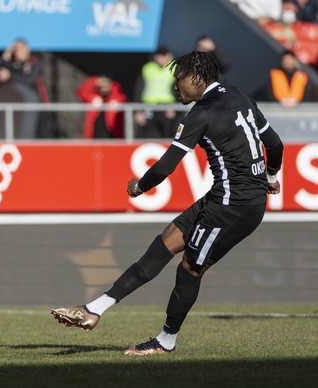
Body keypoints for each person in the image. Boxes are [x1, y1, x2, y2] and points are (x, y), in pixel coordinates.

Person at [51, 51, 284, 356]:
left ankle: (166, 341)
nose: (176, 87)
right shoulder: (239, 95)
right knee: (163, 244)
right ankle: (94, 309)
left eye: (179, 80)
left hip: (234, 205)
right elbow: (275, 144)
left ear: (196, 77)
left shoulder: (201, 113)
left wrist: (140, 186)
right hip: (227, 196)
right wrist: (269, 176)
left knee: (189, 268)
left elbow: (165, 167)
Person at [0, 38, 50, 139]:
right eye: (16, 50)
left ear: (27, 49)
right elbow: (2, 73)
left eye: (21, 49)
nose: (18, 52)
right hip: (20, 108)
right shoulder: (14, 65)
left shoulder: (35, 62)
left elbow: (30, 79)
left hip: (39, 108)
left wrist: (10, 77)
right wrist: (6, 55)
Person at [133, 46, 179, 139]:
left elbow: (180, 90)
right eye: (159, 56)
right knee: (149, 133)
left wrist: (175, 108)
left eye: (163, 56)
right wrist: (138, 110)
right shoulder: (147, 68)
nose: (161, 58)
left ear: (169, 56)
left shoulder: (175, 68)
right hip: (149, 105)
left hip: (167, 107)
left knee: (167, 133)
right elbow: (138, 89)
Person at [76, 73, 128, 139]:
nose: (104, 87)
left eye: (106, 84)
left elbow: (122, 98)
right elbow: (82, 91)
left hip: (112, 137)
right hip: (94, 137)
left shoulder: (116, 98)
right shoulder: (94, 98)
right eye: (101, 84)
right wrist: (95, 81)